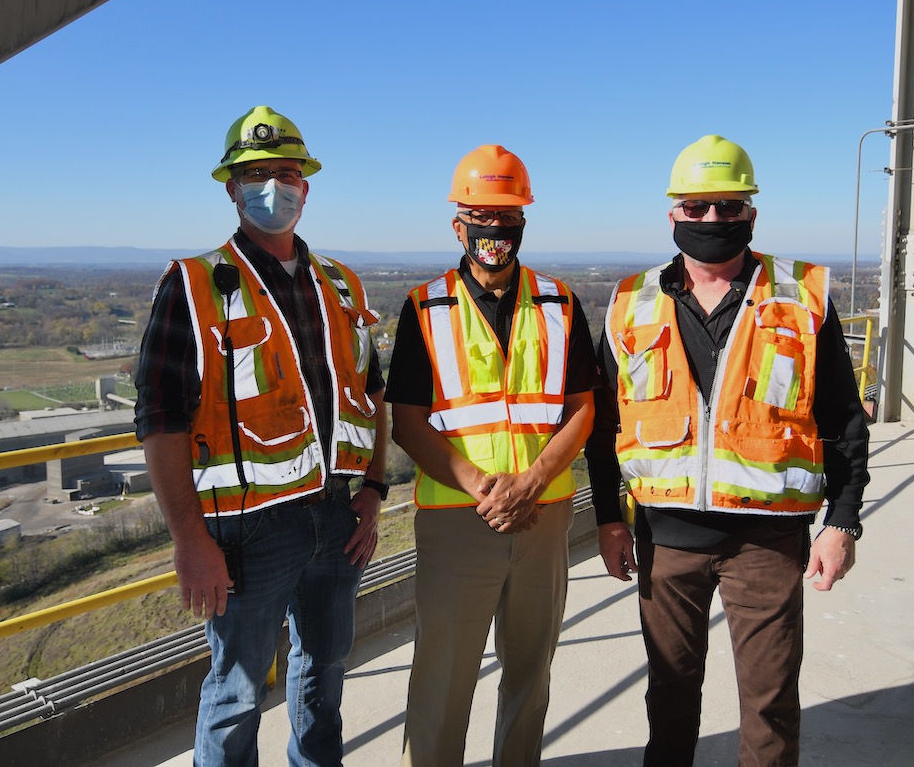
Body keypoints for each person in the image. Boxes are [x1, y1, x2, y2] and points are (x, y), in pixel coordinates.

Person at [585, 135, 870, 766]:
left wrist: (842, 521)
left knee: (768, 707)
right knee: (670, 702)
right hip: (666, 541)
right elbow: (605, 429)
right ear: (674, 216)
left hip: (767, 543)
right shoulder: (632, 302)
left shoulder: (799, 297)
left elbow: (843, 419)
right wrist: (609, 519)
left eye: (728, 206)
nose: (712, 219)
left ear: (751, 214)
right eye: (697, 207)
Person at [134, 105, 389, 767]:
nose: (273, 186)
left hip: (336, 520)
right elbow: (159, 423)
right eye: (256, 175)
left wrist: (375, 491)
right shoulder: (193, 287)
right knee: (236, 696)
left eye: (286, 173)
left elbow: (373, 393)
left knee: (325, 676)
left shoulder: (339, 284)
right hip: (246, 535)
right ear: (230, 189)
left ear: (306, 185)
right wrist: (190, 541)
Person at [386, 145, 597, 767]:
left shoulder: (560, 303)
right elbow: (406, 421)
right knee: (442, 681)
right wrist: (485, 485)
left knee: (531, 675)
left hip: (545, 512)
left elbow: (582, 409)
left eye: (507, 219)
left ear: (523, 224)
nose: (494, 233)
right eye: (482, 218)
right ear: (459, 225)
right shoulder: (425, 306)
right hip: (459, 518)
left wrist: (530, 481)